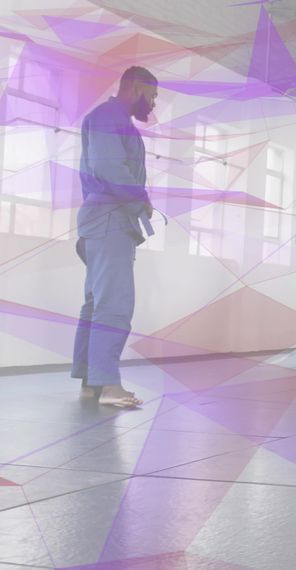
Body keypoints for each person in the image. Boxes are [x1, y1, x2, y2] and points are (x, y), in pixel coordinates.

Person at [70, 66, 159, 409]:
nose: (152, 104)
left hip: (103, 221)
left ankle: (90, 382)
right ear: (135, 87)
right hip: (109, 220)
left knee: (96, 303)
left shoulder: (113, 119)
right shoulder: (109, 116)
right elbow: (108, 167)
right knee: (115, 304)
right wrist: (141, 197)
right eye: (151, 96)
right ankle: (108, 385)